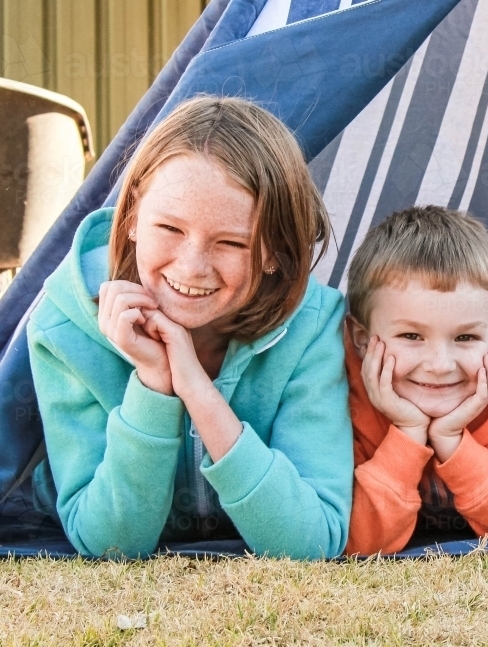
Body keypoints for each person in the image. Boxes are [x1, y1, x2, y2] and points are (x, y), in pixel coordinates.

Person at [28, 96, 354, 559]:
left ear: (274, 251)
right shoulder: (65, 327)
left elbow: (311, 541)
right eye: (170, 228)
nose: (192, 266)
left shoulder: (312, 327)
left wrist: (197, 390)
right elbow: (109, 544)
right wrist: (153, 386)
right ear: (135, 212)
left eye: (230, 242)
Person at [344, 206, 488, 555]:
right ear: (362, 338)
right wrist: (407, 434)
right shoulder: (341, 397)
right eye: (411, 336)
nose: (439, 365)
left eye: (465, 338)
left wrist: (453, 443)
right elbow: (351, 542)